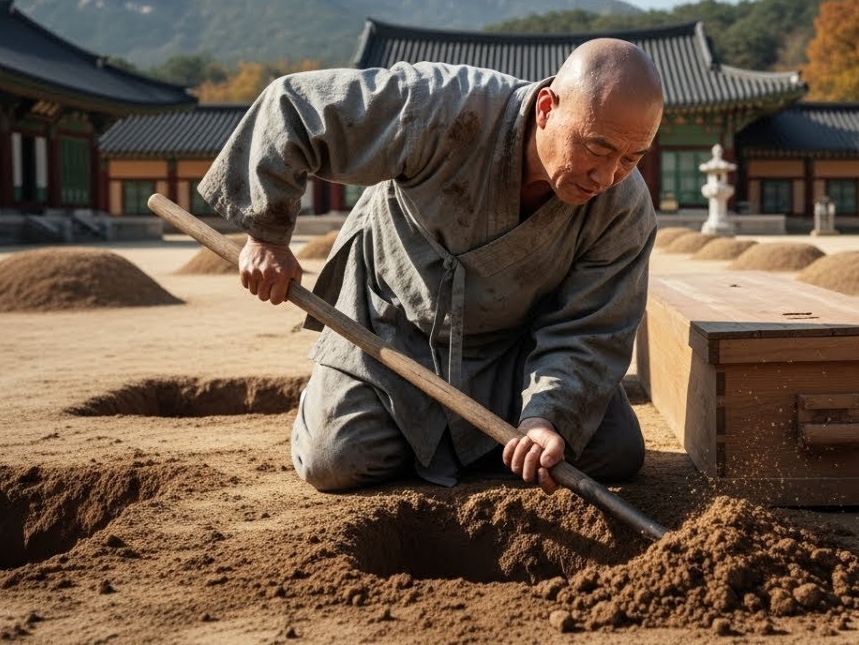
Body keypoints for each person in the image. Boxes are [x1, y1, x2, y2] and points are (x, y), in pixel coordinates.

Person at [197, 38, 664, 494]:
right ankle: (359, 402)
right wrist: (266, 233)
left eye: (631, 158)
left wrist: (547, 416)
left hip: (511, 350)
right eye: (598, 149)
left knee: (614, 451)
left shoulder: (624, 208)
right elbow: (295, 107)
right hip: (389, 330)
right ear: (546, 109)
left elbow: (590, 328)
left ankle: (472, 439)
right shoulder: (445, 107)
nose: (607, 176)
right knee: (336, 460)